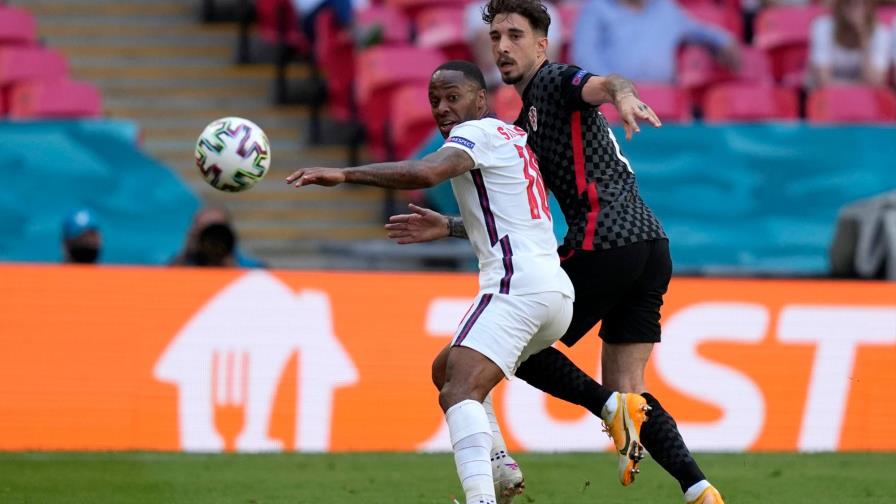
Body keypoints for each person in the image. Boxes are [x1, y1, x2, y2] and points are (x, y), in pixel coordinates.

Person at [385, 1, 724, 503]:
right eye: (496, 36)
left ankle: (605, 411)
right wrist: (453, 227)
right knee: (630, 389)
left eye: (515, 35)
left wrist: (623, 97)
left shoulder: (553, 82)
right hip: (650, 245)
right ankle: (699, 488)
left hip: (606, 238)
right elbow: (519, 215)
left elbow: (606, 84)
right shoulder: (523, 128)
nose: (502, 46)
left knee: (513, 336)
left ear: (542, 44)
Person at [285, 60, 648, 504]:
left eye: (452, 97)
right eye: (434, 100)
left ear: (481, 100)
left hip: (517, 288)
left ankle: (482, 498)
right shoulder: (515, 139)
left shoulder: (475, 134)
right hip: (554, 291)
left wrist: (345, 174)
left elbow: (425, 173)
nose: (441, 108)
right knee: (447, 369)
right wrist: (452, 226)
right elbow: (514, 214)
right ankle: (523, 455)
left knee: (459, 389)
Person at [572, 0, 739, 84]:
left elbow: (699, 30)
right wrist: (613, 87)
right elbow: (584, 56)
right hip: (613, 101)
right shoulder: (596, 9)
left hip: (664, 101)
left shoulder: (665, 8)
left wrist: (725, 41)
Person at [808, 0, 891, 87]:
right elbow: (823, 81)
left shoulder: (881, 32)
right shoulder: (822, 27)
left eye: (864, 3)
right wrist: (860, 86)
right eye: (849, 3)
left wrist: (863, 39)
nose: (856, 7)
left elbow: (875, 81)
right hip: (828, 97)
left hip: (864, 98)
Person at [170, 207, 266, 268]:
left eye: (216, 230)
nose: (212, 237)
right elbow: (165, 283)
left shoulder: (254, 269)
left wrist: (228, 263)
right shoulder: (184, 265)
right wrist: (186, 254)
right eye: (204, 229)